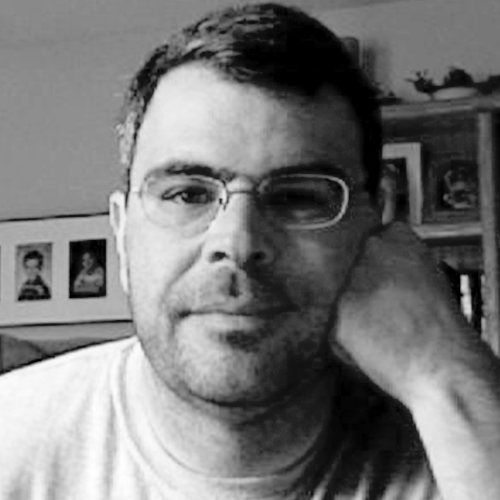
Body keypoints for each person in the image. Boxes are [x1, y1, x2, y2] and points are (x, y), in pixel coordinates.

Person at [1, 3, 499, 499]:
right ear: (121, 232)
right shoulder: (12, 441)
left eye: (298, 197)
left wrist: (447, 376)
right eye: (187, 194)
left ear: (378, 217)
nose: (237, 243)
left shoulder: (460, 442)